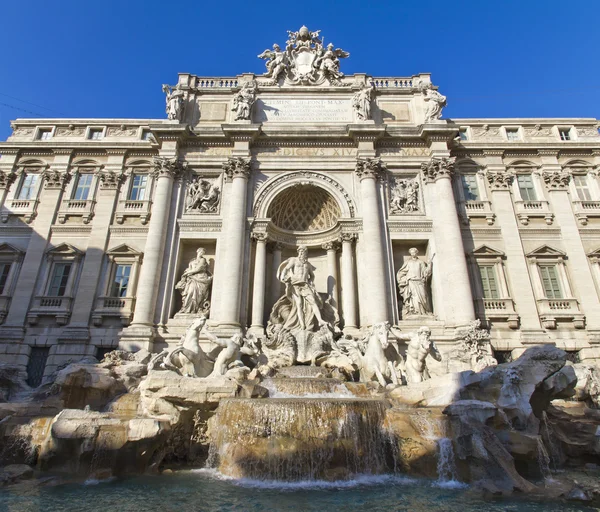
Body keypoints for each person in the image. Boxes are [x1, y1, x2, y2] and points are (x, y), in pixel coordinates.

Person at [277, 246, 327, 331]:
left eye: (302, 252)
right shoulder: (294, 260)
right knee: (299, 304)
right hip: (295, 285)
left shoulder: (308, 264)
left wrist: (310, 282)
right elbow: (286, 269)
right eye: (299, 252)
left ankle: (320, 320)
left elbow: (312, 275)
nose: (301, 253)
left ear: (305, 253)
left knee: (313, 302)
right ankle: (302, 324)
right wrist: (283, 278)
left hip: (305, 285)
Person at [396, 248, 433, 316]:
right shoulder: (408, 262)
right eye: (412, 253)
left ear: (416, 253)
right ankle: (415, 311)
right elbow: (401, 272)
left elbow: (425, 272)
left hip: (420, 282)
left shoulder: (421, 262)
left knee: (423, 296)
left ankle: (424, 312)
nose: (413, 254)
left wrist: (429, 264)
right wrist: (403, 279)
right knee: (414, 297)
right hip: (411, 281)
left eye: (414, 253)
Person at [175, 248, 213, 314]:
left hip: (201, 278)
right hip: (191, 279)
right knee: (190, 292)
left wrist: (188, 273)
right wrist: (186, 272)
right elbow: (189, 268)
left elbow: (198, 268)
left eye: (203, 253)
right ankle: (186, 308)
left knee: (199, 294)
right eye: (201, 252)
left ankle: (197, 309)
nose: (202, 253)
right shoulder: (192, 261)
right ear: (197, 251)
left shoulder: (203, 260)